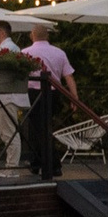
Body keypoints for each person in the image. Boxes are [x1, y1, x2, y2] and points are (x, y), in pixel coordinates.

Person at [22, 25, 77, 175]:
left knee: (37, 128)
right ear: (47, 36)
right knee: (44, 126)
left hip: (33, 92)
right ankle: (40, 162)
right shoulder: (59, 53)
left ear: (32, 35)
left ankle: (49, 164)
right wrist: (74, 98)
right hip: (54, 93)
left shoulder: (25, 53)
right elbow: (69, 77)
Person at [0, 20, 29, 171]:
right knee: (7, 132)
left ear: (2, 33)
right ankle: (11, 166)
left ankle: (12, 167)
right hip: (8, 95)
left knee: (9, 133)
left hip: (8, 96)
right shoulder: (8, 48)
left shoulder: (8, 49)